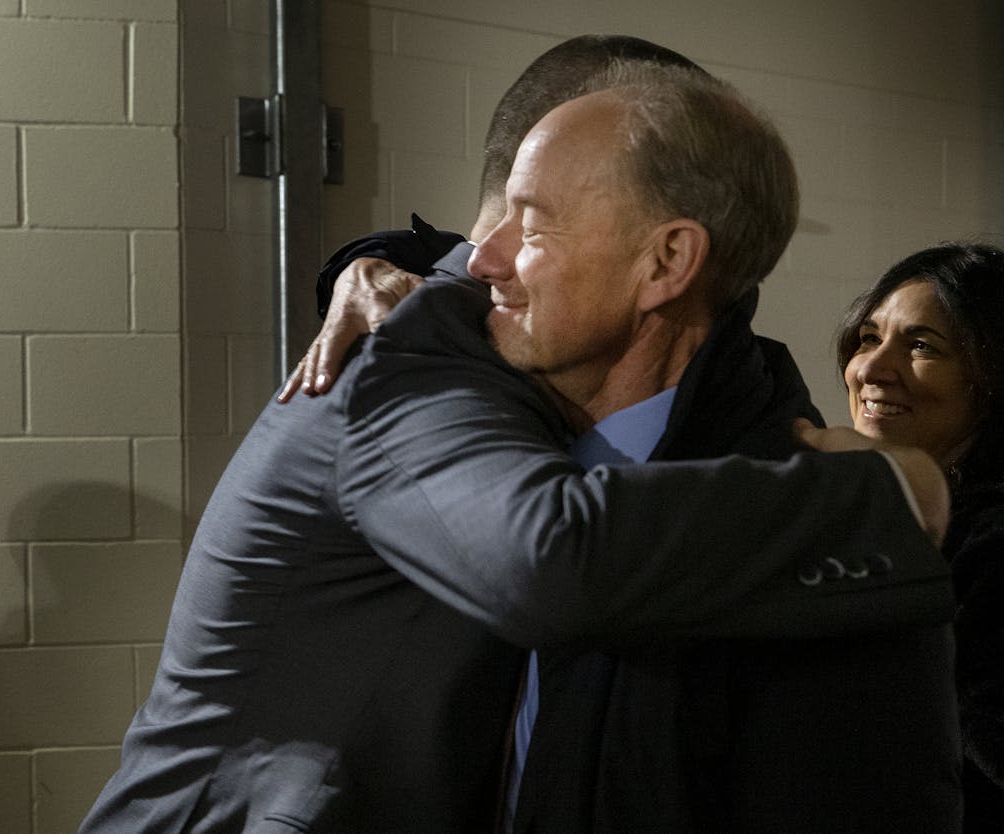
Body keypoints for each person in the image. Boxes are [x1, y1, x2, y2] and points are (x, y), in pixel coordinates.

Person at [79, 58, 957, 833]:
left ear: (666, 262)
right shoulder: (404, 363)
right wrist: (894, 493)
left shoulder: (749, 455)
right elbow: (552, 560)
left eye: (530, 223)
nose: (481, 258)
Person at [835, 242, 1004, 832]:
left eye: (921, 345)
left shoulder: (991, 546)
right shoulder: (867, 514)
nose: (872, 370)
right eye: (868, 338)